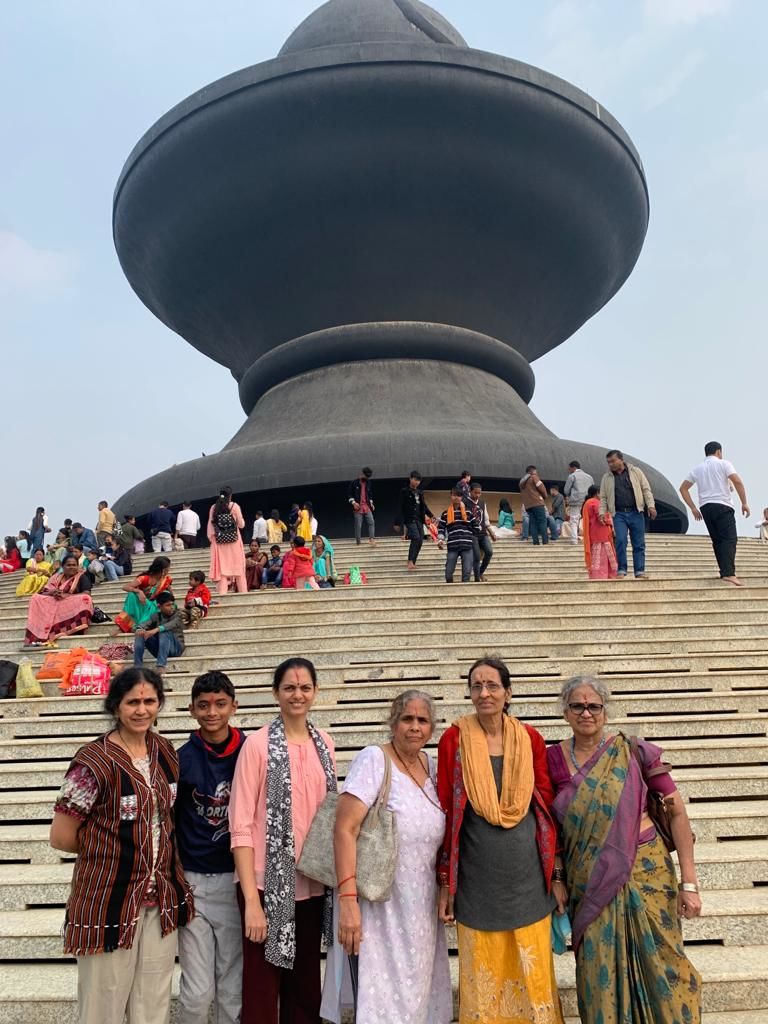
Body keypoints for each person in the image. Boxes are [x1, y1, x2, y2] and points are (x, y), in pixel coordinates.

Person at [547, 675, 701, 1024]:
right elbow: (549, 830)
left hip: (647, 873)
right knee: (597, 973)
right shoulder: (552, 760)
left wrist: (688, 883)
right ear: (565, 712)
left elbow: (677, 814)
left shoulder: (633, 751)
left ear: (605, 711)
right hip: (589, 882)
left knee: (663, 966)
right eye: (577, 706)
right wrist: (557, 877)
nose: (586, 713)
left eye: (594, 706)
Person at [49, 667, 194, 1024]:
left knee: (152, 1006)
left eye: (149, 701)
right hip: (108, 905)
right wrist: (114, 853)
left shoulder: (165, 752)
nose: (141, 710)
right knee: (103, 1007)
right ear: (116, 706)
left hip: (159, 901)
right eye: (132, 702)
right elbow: (62, 836)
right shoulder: (91, 762)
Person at [437, 656, 566, 1024]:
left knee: (534, 975)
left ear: (508, 692)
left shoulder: (529, 738)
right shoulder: (454, 738)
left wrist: (556, 875)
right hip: (477, 884)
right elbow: (448, 812)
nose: (484, 693)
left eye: (492, 685)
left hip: (528, 881)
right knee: (485, 977)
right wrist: (446, 882)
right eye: (476, 686)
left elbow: (545, 807)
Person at [325, 691, 451, 1024]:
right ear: (393, 722)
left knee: (419, 996)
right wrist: (348, 901)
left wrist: (443, 888)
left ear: (432, 728)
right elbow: (344, 828)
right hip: (381, 904)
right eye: (407, 719)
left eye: (422, 720)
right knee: (383, 999)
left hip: (421, 908)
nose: (414, 727)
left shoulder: (432, 767)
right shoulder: (374, 759)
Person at [229, 657, 337, 1024]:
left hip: (311, 884)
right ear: (276, 693)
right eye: (289, 688)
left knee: (306, 986)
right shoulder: (258, 745)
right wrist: (251, 902)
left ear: (316, 692)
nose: (298, 695)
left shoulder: (325, 743)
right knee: (262, 988)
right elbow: (241, 825)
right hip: (265, 886)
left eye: (305, 687)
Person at [176, 670, 246, 1024]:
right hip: (193, 882)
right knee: (197, 991)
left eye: (220, 703)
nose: (212, 712)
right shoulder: (180, 759)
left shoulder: (252, 753)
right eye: (203, 705)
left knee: (233, 986)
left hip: (236, 880)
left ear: (234, 705)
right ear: (191, 710)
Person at [679, 441, 750, 587]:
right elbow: (737, 481)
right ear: (719, 452)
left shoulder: (697, 469)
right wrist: (744, 502)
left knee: (717, 540)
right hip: (723, 505)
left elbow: (683, 489)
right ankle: (729, 573)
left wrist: (693, 508)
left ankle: (724, 572)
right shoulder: (724, 463)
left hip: (706, 508)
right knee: (730, 539)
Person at [599, 449, 656, 579]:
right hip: (618, 514)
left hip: (636, 512)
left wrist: (651, 506)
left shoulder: (636, 472)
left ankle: (639, 571)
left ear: (621, 459)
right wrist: (602, 512)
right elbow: (603, 497)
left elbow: (646, 490)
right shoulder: (606, 477)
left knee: (639, 543)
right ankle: (622, 569)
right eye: (609, 462)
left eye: (613, 461)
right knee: (620, 540)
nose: (611, 464)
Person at [24, 554, 94, 646]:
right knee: (35, 598)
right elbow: (43, 592)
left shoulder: (82, 577)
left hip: (70, 605)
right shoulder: (55, 577)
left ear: (77, 566)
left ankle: (69, 627)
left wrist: (66, 596)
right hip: (53, 601)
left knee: (86, 599)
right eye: (69, 565)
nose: (72, 567)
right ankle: (38, 633)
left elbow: (87, 593)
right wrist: (52, 592)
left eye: (74, 565)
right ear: (63, 566)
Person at [114, 556, 173, 634]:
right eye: (168, 568)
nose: (169, 570)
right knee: (131, 594)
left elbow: (171, 595)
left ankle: (144, 625)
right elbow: (125, 587)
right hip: (142, 603)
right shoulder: (145, 578)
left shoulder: (166, 580)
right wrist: (139, 592)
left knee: (165, 596)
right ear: (163, 570)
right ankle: (126, 626)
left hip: (154, 605)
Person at [133, 591, 186, 675]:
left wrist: (156, 630)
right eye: (168, 605)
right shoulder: (156, 616)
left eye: (172, 604)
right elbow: (143, 624)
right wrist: (139, 629)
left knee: (163, 632)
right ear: (159, 606)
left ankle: (161, 666)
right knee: (140, 633)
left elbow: (171, 625)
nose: (172, 607)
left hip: (175, 649)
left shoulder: (178, 614)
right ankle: (137, 666)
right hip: (160, 649)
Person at [207, 487, 247, 595]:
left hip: (219, 541)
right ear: (230, 495)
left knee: (222, 572)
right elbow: (241, 525)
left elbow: (210, 526)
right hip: (234, 540)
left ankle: (222, 595)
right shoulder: (234, 506)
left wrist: (212, 539)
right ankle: (244, 593)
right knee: (239, 570)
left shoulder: (213, 507)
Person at [438, 488, 480, 584]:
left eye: (459, 495)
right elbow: (441, 528)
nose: (456, 497)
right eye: (454, 495)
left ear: (461, 497)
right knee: (448, 573)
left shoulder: (468, 512)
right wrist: (440, 540)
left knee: (467, 573)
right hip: (452, 546)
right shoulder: (445, 513)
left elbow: (476, 527)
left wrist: (469, 535)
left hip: (467, 546)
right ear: (451, 496)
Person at [396, 471, 435, 571]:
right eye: (415, 479)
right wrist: (397, 522)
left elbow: (424, 506)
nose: (417, 482)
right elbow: (400, 506)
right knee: (416, 537)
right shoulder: (404, 491)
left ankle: (413, 561)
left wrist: (431, 515)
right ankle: (410, 561)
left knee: (420, 540)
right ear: (410, 478)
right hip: (409, 519)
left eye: (418, 480)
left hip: (419, 519)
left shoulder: (420, 492)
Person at [581, 484, 617, 580]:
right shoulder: (595, 502)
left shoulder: (588, 503)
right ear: (597, 493)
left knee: (598, 557)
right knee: (603, 557)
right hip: (601, 534)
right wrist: (611, 522)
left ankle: (598, 575)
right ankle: (602, 576)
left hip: (595, 534)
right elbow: (602, 517)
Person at [467, 481, 497, 581]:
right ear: (470, 491)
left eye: (479, 493)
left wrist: (491, 532)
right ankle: (477, 578)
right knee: (476, 556)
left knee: (489, 551)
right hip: (472, 533)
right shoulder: (464, 502)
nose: (477, 495)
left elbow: (486, 519)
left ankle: (480, 573)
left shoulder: (482, 503)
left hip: (483, 532)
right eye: (475, 493)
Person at [564, 460, 594, 545]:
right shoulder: (589, 477)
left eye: (569, 469)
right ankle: (590, 538)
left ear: (573, 468)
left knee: (574, 520)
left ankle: (574, 539)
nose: (569, 470)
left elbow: (566, 490)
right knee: (589, 519)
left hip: (575, 500)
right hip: (588, 500)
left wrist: (569, 495)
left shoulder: (572, 476)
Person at [519, 465, 549, 546]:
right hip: (537, 503)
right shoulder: (534, 477)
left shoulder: (521, 482)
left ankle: (535, 542)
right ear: (532, 471)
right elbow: (541, 487)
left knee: (533, 523)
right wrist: (545, 496)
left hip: (528, 506)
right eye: (535, 471)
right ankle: (545, 541)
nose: (536, 473)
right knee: (542, 521)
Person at [348, 468, 376, 546]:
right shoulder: (354, 483)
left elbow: (369, 494)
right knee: (358, 525)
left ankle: (371, 539)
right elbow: (349, 495)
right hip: (358, 506)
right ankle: (358, 542)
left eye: (366, 477)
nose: (364, 477)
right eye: (364, 475)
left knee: (371, 522)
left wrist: (371, 503)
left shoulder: (368, 483)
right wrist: (353, 503)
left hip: (366, 506)